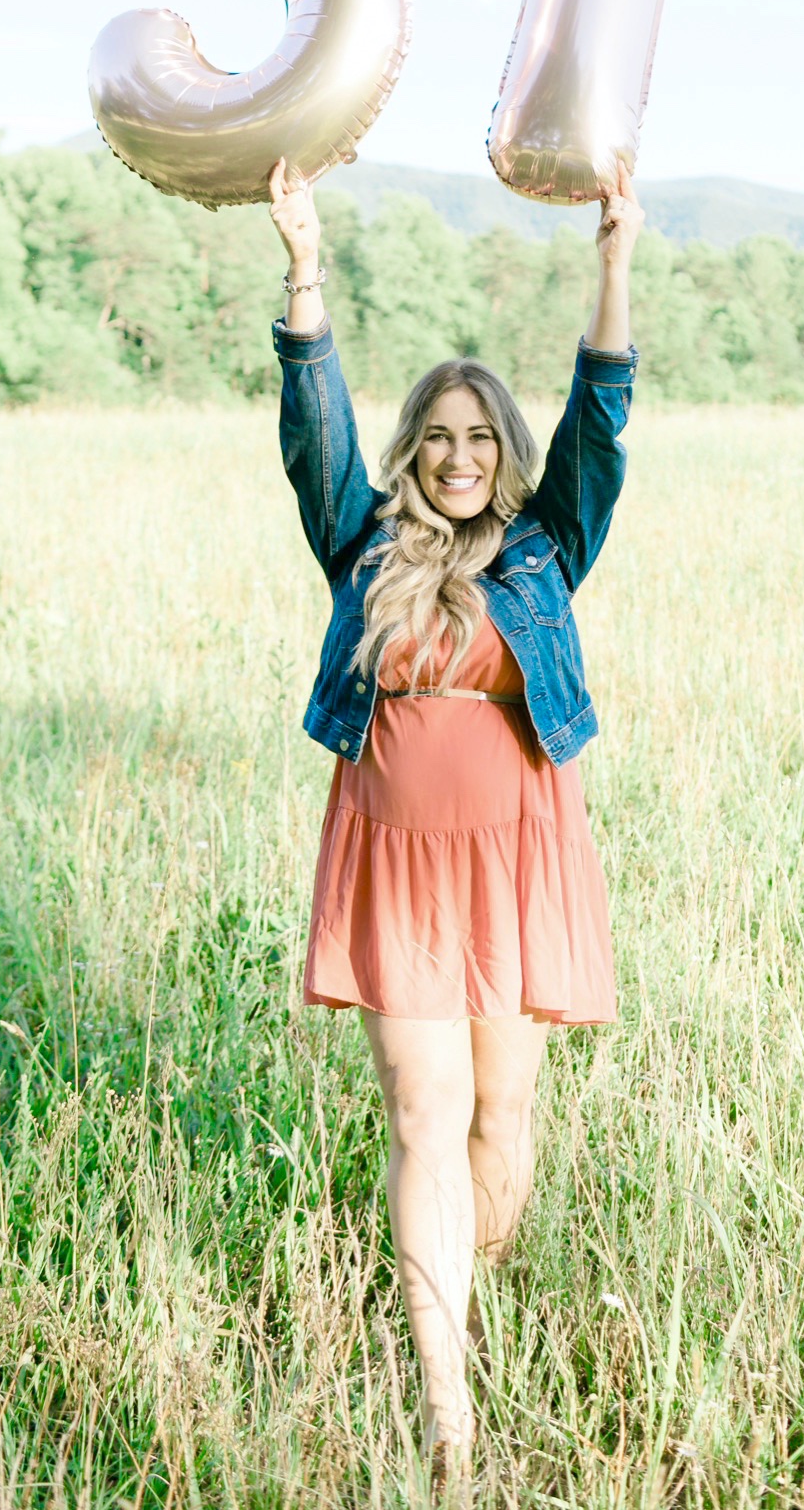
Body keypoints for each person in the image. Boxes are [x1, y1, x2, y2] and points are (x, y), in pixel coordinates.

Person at [267, 154, 644, 1493]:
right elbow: (312, 421)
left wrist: (611, 260)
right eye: (440, 435)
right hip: (395, 867)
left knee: (504, 1120)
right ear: (414, 450)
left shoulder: (548, 547)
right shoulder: (362, 539)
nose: (461, 457)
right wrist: (307, 270)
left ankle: (459, 1283)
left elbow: (603, 420)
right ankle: (448, 1402)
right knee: (423, 1119)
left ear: (506, 455)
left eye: (482, 437)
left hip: (521, 864)